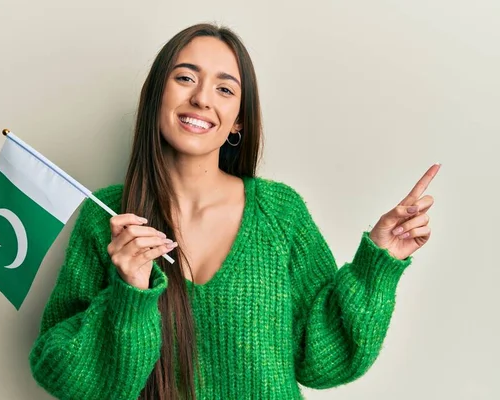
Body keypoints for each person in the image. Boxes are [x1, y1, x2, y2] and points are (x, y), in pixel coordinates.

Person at [28, 23, 440, 400]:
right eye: (185, 78)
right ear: (157, 95)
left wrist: (377, 264)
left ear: (239, 121)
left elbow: (321, 359)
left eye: (224, 89)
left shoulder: (280, 214)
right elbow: (65, 374)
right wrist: (128, 292)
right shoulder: (107, 218)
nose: (202, 98)